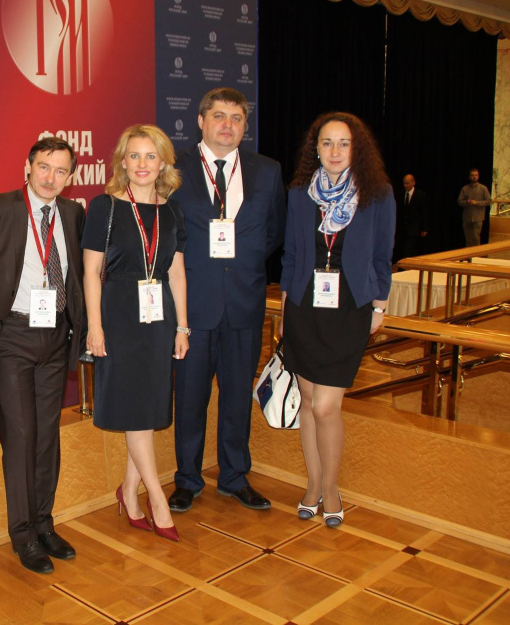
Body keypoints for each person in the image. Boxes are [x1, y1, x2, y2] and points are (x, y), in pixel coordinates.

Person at [0, 137, 85, 575]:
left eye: (61, 170)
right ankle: (23, 534)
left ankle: (44, 523)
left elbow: (79, 274)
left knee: (47, 435)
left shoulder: (72, 214)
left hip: (56, 335)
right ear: (27, 166)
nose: (50, 177)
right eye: (44, 166)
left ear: (70, 176)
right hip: (12, 336)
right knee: (21, 435)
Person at [168, 87, 285, 514]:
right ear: (201, 121)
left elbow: (273, 233)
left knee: (237, 397)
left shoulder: (267, 171)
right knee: (190, 398)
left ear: (244, 126)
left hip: (244, 303)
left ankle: (235, 477)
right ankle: (187, 479)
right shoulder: (174, 168)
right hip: (193, 304)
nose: (227, 125)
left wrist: (241, 266)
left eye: (236, 118)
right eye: (218, 116)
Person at [279, 112, 394, 528]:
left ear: (356, 148)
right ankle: (313, 484)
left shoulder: (377, 194)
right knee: (309, 402)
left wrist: (379, 307)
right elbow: (292, 255)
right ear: (316, 148)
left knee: (327, 406)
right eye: (326, 143)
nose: (334, 151)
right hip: (305, 308)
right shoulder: (300, 194)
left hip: (350, 309)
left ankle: (331, 488)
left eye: (343, 143)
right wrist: (284, 311)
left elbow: (382, 256)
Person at [82, 124, 189, 542]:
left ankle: (129, 490)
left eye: (150, 156)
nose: (142, 164)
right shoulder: (104, 207)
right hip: (119, 316)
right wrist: (95, 326)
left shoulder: (172, 211)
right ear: (122, 163)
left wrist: (182, 326)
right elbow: (92, 272)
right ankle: (156, 498)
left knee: (144, 408)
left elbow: (177, 274)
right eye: (134, 156)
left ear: (163, 163)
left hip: (159, 318)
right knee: (135, 406)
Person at [394, 174, 428, 262]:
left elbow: (423, 212)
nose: (405, 185)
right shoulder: (400, 194)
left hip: (414, 228)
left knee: (409, 249)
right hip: (401, 228)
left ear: (413, 183)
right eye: (404, 183)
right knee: (401, 249)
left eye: (407, 183)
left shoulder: (420, 195)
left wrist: (424, 228)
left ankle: (406, 266)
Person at [457, 168, 491, 247]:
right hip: (467, 217)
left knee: (476, 237)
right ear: (469, 177)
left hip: (478, 217)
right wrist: (466, 202)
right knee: (468, 239)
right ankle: (469, 254)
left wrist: (477, 203)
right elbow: (459, 202)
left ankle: (477, 254)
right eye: (472, 175)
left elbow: (488, 201)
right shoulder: (465, 189)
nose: (474, 177)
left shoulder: (483, 188)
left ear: (478, 176)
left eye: (476, 175)